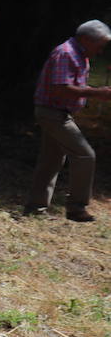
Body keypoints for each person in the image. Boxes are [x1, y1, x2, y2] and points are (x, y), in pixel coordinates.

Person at [23, 19, 111, 222]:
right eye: (100, 46)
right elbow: (60, 87)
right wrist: (95, 93)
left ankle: (35, 208)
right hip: (52, 113)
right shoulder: (66, 53)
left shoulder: (81, 55)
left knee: (51, 161)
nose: (100, 51)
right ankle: (76, 208)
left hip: (59, 113)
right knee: (85, 155)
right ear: (86, 39)